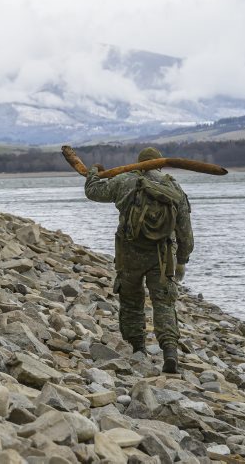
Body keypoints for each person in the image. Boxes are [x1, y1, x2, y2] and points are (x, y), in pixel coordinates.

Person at [84, 147, 194, 373]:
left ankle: (138, 349)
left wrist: (93, 172)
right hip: (162, 256)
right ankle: (170, 352)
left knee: (132, 301)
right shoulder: (173, 186)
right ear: (160, 164)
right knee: (164, 303)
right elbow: (185, 230)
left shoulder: (125, 181)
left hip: (129, 252)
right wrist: (182, 259)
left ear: (139, 163)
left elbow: (93, 192)